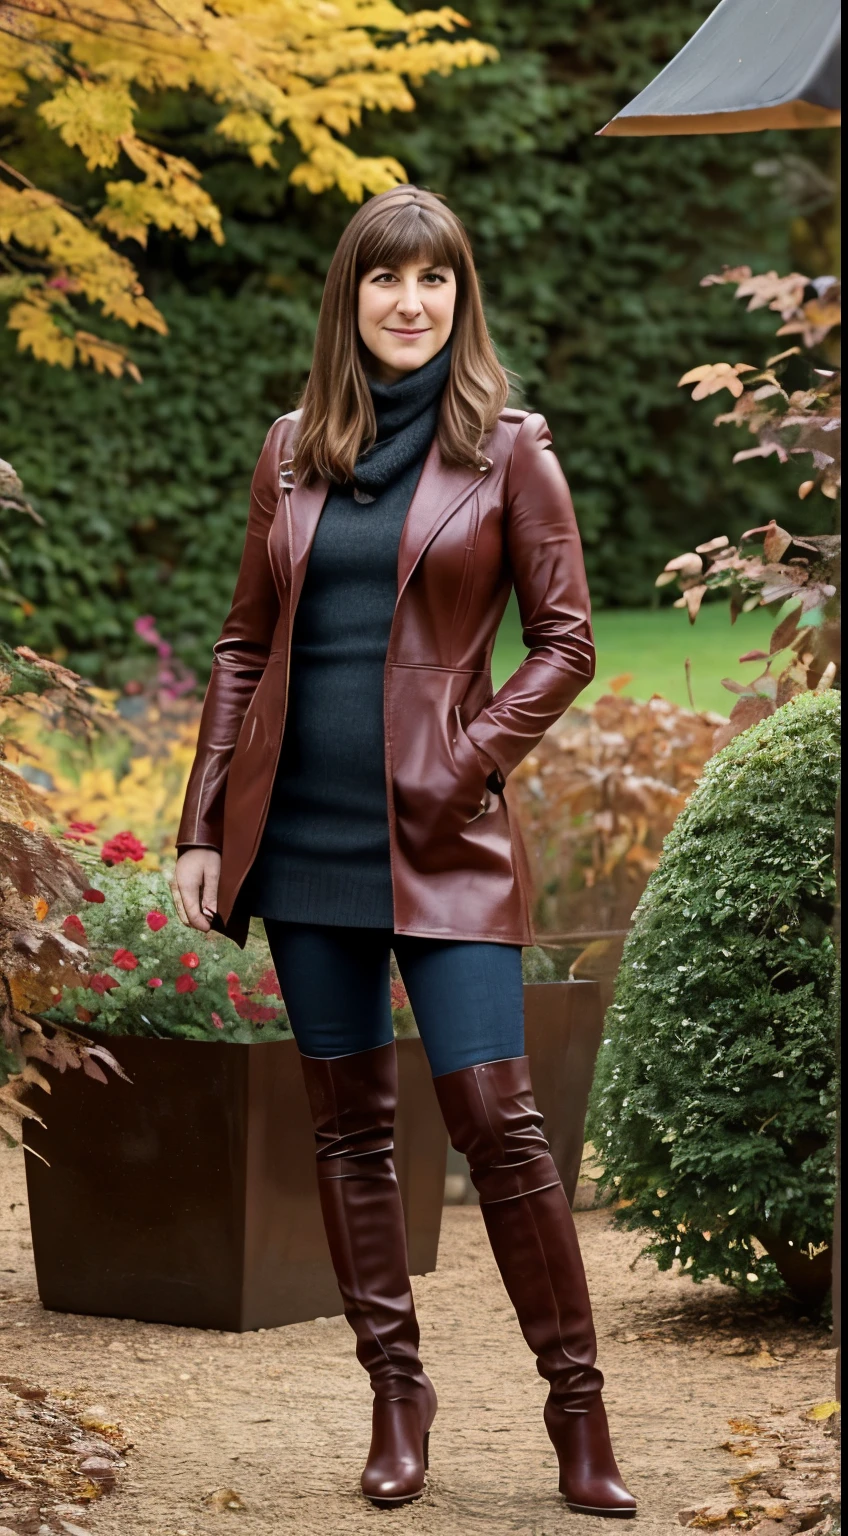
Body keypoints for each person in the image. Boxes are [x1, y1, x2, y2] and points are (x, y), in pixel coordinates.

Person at [172, 186, 636, 1518]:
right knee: (350, 1134)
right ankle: (397, 1393)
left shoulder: (512, 451)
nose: (410, 302)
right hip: (304, 840)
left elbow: (569, 640)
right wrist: (206, 825)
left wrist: (467, 753)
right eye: (387, 280)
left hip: (445, 839)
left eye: (434, 280)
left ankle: (579, 1411)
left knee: (503, 1124)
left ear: (459, 297)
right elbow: (243, 642)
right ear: (352, 298)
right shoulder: (290, 451)